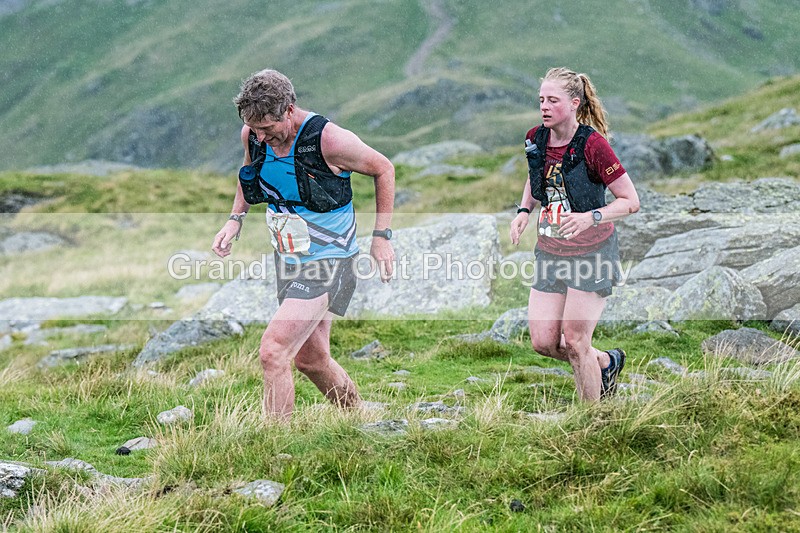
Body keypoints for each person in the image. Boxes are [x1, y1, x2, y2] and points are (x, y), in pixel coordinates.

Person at [212, 69, 395, 419]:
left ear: (290, 109)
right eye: (256, 129)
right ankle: (360, 416)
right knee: (311, 359)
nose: (262, 137)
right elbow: (248, 172)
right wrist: (235, 219)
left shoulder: (329, 140)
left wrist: (381, 236)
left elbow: (383, 169)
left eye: (268, 128)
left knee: (273, 351)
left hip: (330, 260)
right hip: (290, 258)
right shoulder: (252, 134)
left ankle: (275, 444)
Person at [509, 67, 640, 402]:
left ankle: (592, 420)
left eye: (553, 100)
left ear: (574, 102)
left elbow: (630, 201)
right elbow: (534, 175)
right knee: (544, 342)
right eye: (541, 100)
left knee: (577, 340)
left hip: (591, 252)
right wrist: (524, 212)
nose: (544, 106)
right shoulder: (535, 137)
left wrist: (590, 217)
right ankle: (606, 362)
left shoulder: (593, 146)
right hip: (550, 251)